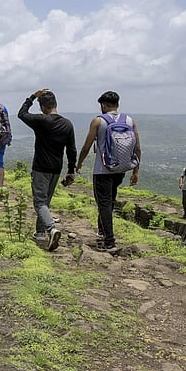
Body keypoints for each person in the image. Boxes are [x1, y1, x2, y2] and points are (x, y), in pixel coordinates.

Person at [77, 91, 142, 253]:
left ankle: (109, 241)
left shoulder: (98, 121)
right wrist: (135, 171)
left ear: (103, 105)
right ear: (117, 105)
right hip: (120, 168)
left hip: (102, 170)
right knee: (109, 202)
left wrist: (79, 164)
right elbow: (138, 148)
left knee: (104, 204)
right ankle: (102, 232)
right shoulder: (129, 121)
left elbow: (86, 146)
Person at [18, 88, 77, 251]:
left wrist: (31, 97)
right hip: (56, 169)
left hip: (41, 167)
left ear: (43, 106)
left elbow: (22, 114)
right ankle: (40, 233)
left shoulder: (42, 120)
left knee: (39, 203)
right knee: (45, 202)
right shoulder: (67, 124)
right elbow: (71, 149)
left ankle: (51, 229)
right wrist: (71, 169)